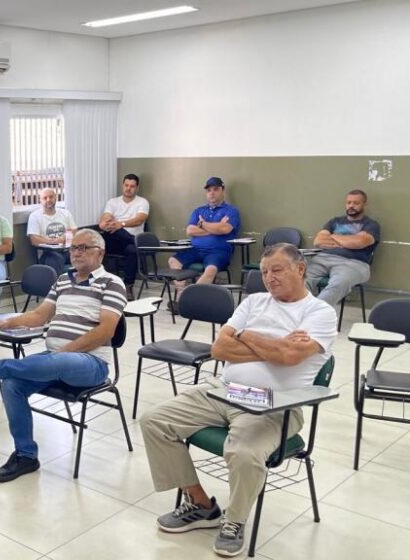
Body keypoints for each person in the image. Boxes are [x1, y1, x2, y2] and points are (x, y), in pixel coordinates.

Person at [140, 243, 336, 557]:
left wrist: (245, 336)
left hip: (275, 405)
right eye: (264, 272)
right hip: (224, 390)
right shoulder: (255, 301)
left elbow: (290, 356)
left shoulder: (320, 313)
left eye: (277, 270)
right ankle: (201, 505)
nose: (269, 278)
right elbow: (219, 350)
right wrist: (272, 344)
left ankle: (235, 519)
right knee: (154, 420)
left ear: (300, 270)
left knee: (243, 452)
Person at [0, 228, 128, 483]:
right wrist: (9, 322)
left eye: (85, 248)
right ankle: (26, 455)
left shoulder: (112, 283)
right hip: (53, 362)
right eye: (74, 248)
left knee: (56, 360)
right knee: (13, 385)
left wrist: (62, 354)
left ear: (101, 253)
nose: (77, 253)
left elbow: (106, 331)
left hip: (91, 365)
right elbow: (40, 316)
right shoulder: (62, 280)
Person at [168, 176, 240, 312]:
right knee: (173, 261)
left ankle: (188, 300)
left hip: (218, 252)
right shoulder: (199, 211)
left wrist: (202, 224)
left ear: (222, 191)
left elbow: (225, 229)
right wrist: (215, 229)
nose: (212, 193)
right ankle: (182, 297)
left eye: (216, 189)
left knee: (211, 270)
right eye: (209, 190)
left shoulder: (231, 211)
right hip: (196, 249)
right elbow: (190, 230)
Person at [305, 189, 379, 307]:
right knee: (298, 278)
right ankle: (295, 312)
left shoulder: (371, 225)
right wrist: (350, 240)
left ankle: (315, 313)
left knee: (338, 284)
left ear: (364, 204)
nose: (351, 206)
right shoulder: (335, 221)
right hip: (323, 258)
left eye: (356, 203)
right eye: (349, 202)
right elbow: (318, 241)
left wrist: (333, 236)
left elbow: (359, 243)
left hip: (354, 264)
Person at [98, 173, 149, 298]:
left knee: (131, 249)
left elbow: (140, 219)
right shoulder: (113, 202)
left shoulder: (142, 202)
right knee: (103, 240)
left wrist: (121, 224)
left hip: (132, 240)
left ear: (136, 187)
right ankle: (100, 282)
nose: (128, 188)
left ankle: (128, 286)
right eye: (126, 185)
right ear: (122, 185)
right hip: (115, 240)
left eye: (132, 186)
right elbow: (105, 218)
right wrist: (105, 224)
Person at [27, 187, 77, 273]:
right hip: (48, 253)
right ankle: (58, 286)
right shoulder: (35, 216)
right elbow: (34, 240)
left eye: (51, 197)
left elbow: (74, 232)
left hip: (68, 250)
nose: (48, 200)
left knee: (86, 254)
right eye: (45, 198)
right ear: (40, 200)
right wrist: (54, 241)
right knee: (55, 260)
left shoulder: (65, 213)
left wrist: (65, 238)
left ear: (55, 198)